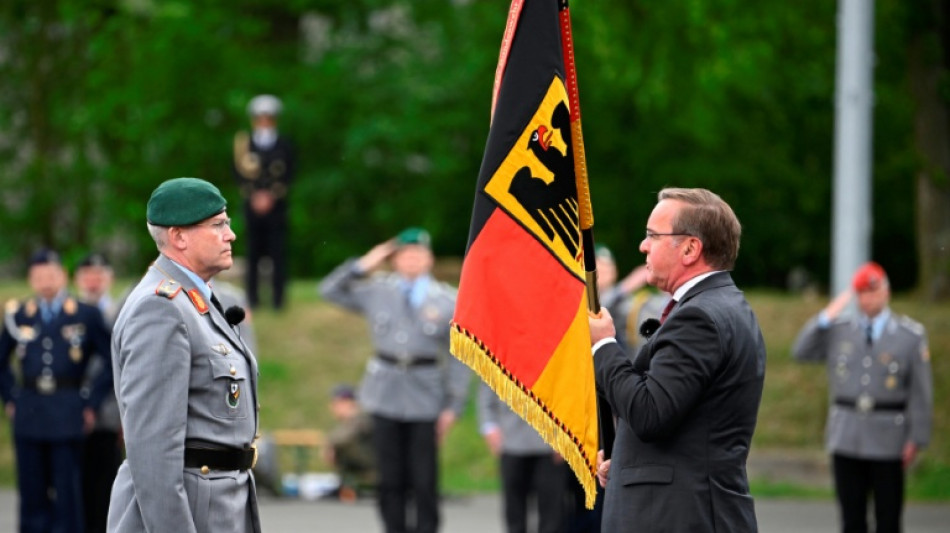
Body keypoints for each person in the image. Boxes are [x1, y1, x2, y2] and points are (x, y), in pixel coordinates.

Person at [588, 187, 766, 532]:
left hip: (682, 516)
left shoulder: (700, 317)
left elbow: (650, 413)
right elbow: (682, 417)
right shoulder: (719, 306)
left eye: (653, 235)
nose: (643, 246)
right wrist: (628, 460)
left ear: (690, 248)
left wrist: (603, 345)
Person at [106, 177, 262, 533]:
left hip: (219, 503)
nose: (231, 234)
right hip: (190, 510)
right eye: (218, 224)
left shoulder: (196, 299)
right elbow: (152, 452)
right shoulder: (160, 309)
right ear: (178, 237)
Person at [319, 227, 472, 533]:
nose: (412, 260)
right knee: (389, 477)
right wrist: (364, 264)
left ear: (429, 259)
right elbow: (329, 290)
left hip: (425, 394)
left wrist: (453, 404)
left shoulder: (446, 299)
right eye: (405, 254)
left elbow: (459, 355)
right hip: (383, 393)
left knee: (424, 478)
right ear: (395, 260)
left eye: (418, 254)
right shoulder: (378, 289)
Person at [792, 261, 933, 533]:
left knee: (888, 518)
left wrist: (917, 438)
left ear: (886, 292)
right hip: (847, 436)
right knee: (851, 519)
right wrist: (826, 316)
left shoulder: (909, 336)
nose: (868, 299)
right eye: (862, 293)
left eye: (873, 291)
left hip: (888, 437)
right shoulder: (839, 330)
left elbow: (920, 391)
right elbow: (801, 351)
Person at [0, 248, 113, 533]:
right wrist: (10, 397)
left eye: (51, 275)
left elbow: (113, 360)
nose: (45, 282)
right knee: (31, 490)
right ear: (30, 279)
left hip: (68, 409)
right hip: (29, 410)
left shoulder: (84, 315)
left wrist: (90, 400)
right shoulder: (19, 316)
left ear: (63, 276)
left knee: (67, 490)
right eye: (38, 276)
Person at [233, 94, 295, 310]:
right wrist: (255, 196)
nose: (264, 122)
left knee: (278, 251)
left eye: (268, 118)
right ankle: (253, 299)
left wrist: (271, 196)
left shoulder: (284, 144)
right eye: (260, 118)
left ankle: (278, 299)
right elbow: (239, 174)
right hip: (252, 206)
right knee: (253, 252)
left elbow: (290, 174)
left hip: (276, 206)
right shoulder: (244, 144)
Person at [75, 252, 123, 533]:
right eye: (87, 276)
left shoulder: (122, 310)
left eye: (99, 275)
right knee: (78, 490)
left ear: (109, 279)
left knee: (109, 489)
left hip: (110, 414)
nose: (93, 282)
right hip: (75, 413)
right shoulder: (69, 312)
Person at [477, 382, 566, 533]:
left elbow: (569, 392)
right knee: (514, 510)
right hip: (511, 439)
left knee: (552, 512)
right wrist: (490, 427)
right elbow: (487, 388)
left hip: (551, 443)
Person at [324, 383, 376, 501]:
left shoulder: (362, 417)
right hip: (367, 464)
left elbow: (344, 438)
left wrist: (330, 445)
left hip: (374, 465)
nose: (332, 408)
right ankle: (346, 484)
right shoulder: (350, 421)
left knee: (344, 446)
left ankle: (351, 483)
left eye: (336, 403)